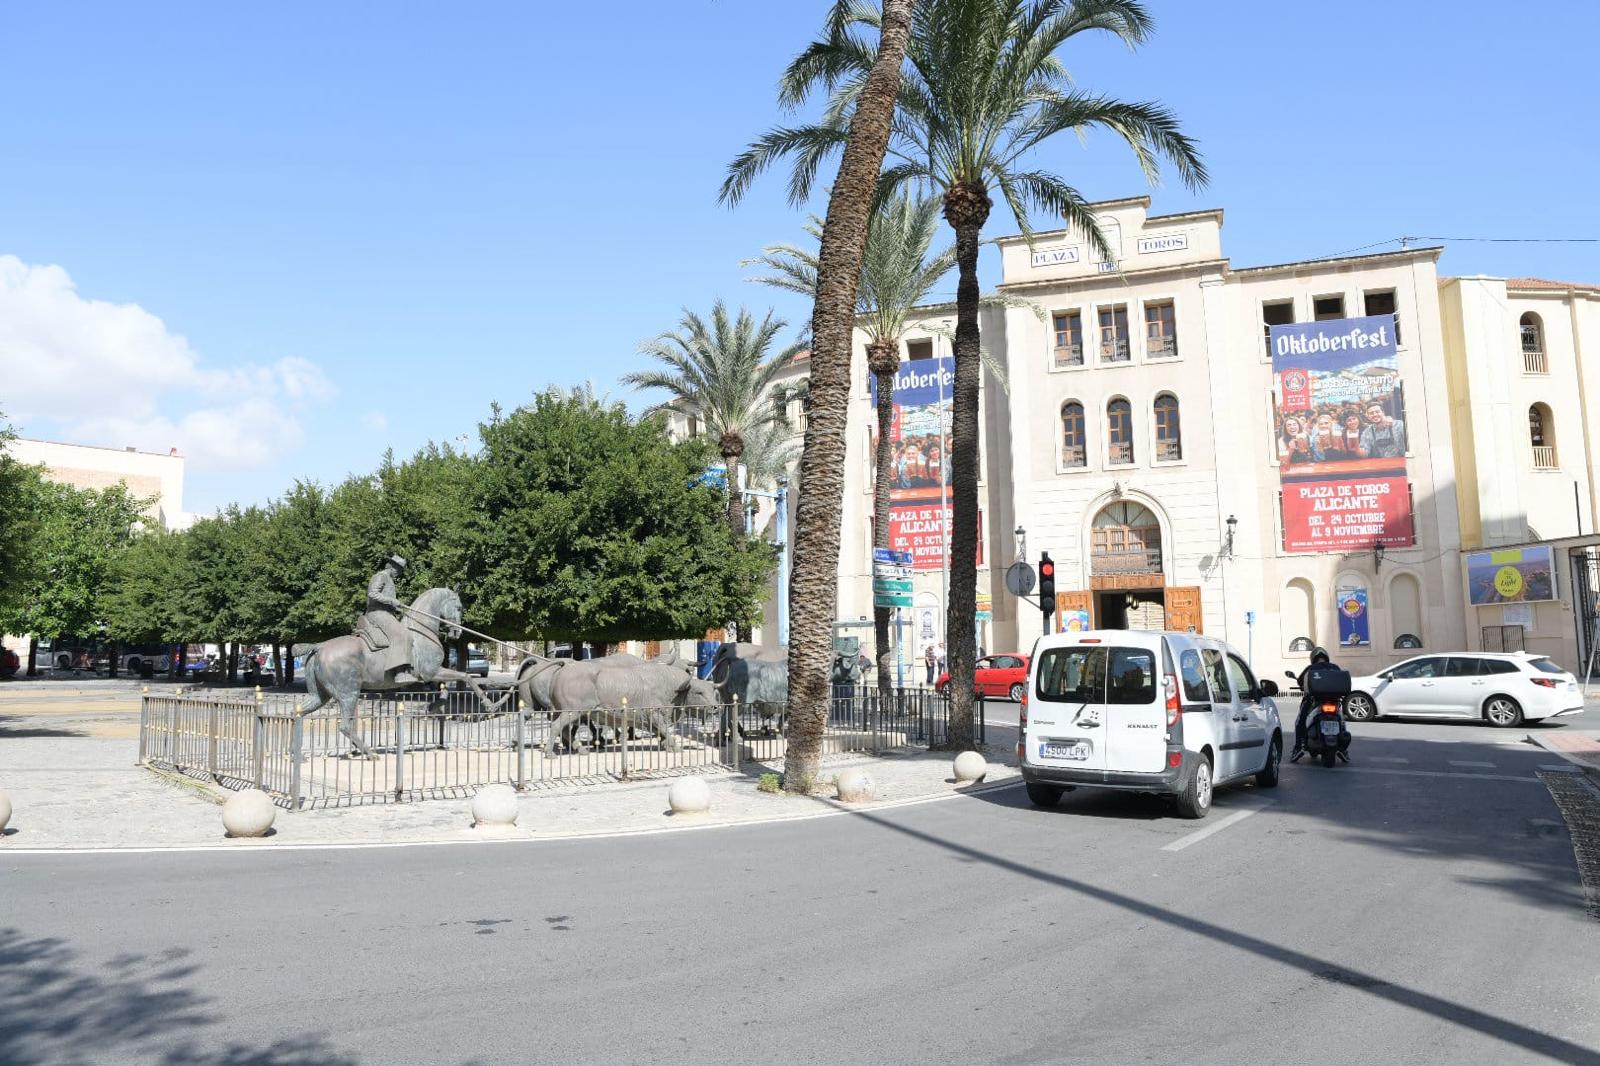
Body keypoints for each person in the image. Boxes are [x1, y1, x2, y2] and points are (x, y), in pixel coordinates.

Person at [1290, 646, 1347, 762]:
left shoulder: (1310, 668)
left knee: (1300, 721)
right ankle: (1343, 750)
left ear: (1313, 658)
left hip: (1314, 701)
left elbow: (1301, 681)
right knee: (1341, 720)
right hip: (1334, 701)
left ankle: (1298, 748)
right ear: (1326, 657)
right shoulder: (1335, 667)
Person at [354, 554, 410, 658]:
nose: (399, 573)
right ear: (392, 567)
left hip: (385, 613)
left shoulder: (388, 578)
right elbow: (373, 593)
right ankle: (398, 668)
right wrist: (392, 600)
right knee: (401, 634)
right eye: (399, 570)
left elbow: (385, 599)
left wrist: (397, 608)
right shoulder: (381, 576)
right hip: (377, 613)